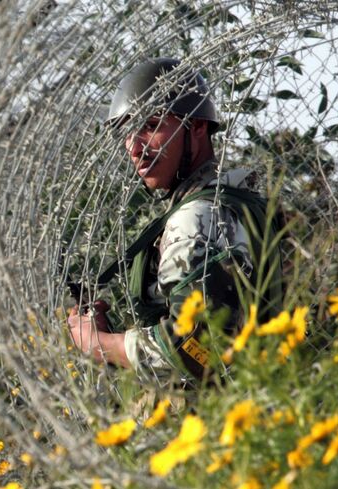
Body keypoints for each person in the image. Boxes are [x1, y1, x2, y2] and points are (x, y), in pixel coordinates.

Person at [66, 58, 281, 384]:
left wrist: (99, 345)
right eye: (127, 133)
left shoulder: (195, 219)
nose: (134, 148)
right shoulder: (236, 200)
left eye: (151, 126)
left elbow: (197, 349)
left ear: (197, 128)